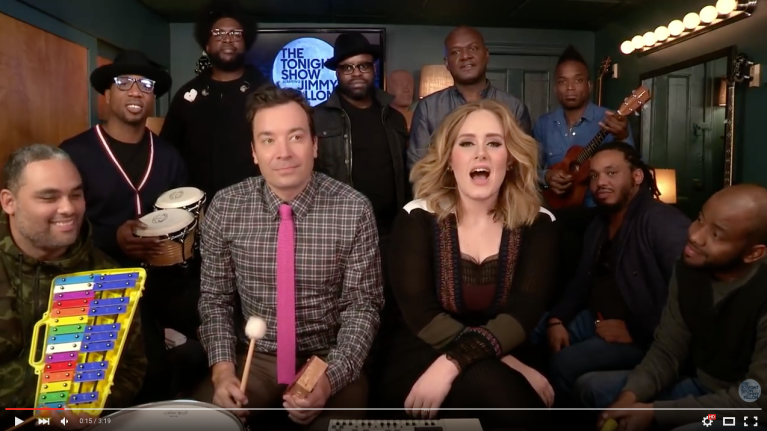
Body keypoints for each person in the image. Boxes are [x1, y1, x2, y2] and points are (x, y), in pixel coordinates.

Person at [196, 85, 384, 430]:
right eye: (268, 140)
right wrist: (222, 371)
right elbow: (215, 299)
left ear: (315, 145)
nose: (283, 152)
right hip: (257, 354)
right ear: (254, 152)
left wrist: (330, 378)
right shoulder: (225, 207)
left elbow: (363, 306)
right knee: (207, 422)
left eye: (295, 137)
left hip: (328, 355)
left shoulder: (354, 209)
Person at [378, 99, 559, 430]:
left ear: (511, 158)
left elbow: (522, 313)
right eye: (467, 143)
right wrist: (494, 360)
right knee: (503, 392)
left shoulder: (539, 223)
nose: (481, 154)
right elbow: (421, 313)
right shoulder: (417, 217)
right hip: (423, 351)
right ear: (449, 159)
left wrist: (457, 362)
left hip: (508, 348)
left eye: (494, 143)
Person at [59, 50, 208, 402]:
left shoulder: (168, 155)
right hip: (105, 283)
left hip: (166, 279)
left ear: (153, 97)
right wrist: (113, 237)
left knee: (219, 338)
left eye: (145, 84)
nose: (136, 91)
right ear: (107, 94)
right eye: (124, 82)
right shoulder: (74, 154)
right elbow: (60, 229)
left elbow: (185, 220)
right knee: (148, 373)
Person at [580, 184, 767, 431]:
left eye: (715, 235)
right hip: (700, 385)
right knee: (591, 388)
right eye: (700, 219)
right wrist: (629, 397)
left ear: (753, 253)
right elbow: (668, 350)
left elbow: (756, 401)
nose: (695, 236)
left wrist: (657, 413)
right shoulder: (689, 268)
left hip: (746, 408)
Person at [0, 145, 146, 428]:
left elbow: (130, 368)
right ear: (9, 202)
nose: (68, 208)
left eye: (76, 195)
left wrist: (87, 413)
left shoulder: (108, 276)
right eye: (49, 197)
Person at [537, 142, 689, 406]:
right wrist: (557, 319)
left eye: (611, 173)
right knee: (535, 332)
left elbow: (690, 297)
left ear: (637, 177)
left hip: (644, 333)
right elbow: (581, 281)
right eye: (594, 175)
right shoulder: (599, 224)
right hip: (595, 317)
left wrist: (636, 330)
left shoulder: (662, 222)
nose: (600, 183)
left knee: (565, 363)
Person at [312, 33, 409, 396]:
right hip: (340, 234)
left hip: (390, 232)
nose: (356, 73)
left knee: (389, 314)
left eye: (363, 66)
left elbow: (407, 173)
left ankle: (383, 392)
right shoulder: (318, 118)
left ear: (373, 69)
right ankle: (347, 385)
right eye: (347, 67)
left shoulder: (394, 117)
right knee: (347, 316)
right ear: (337, 72)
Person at [161, 0, 270, 202]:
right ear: (207, 45)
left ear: (246, 43)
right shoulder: (187, 96)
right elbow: (167, 152)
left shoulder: (266, 93)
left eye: (235, 33)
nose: (228, 39)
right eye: (218, 33)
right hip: (196, 206)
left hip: (254, 206)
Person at [406, 26, 532, 171]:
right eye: (455, 52)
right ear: (447, 63)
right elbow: (418, 167)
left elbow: (523, 166)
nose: (465, 56)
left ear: (486, 54)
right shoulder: (428, 108)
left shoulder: (514, 107)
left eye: (473, 48)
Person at [534, 45, 632, 207]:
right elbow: (527, 170)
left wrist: (623, 136)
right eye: (562, 81)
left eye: (578, 80)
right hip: (555, 210)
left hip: (600, 212)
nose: (570, 87)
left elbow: (633, 167)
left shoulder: (612, 119)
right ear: (555, 89)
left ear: (589, 85)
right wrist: (547, 176)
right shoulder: (543, 124)